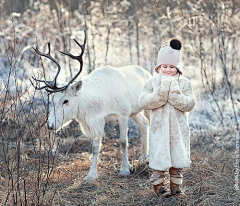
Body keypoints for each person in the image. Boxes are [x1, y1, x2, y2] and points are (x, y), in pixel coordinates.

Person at [138, 39, 196, 198]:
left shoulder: (184, 84)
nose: (168, 70)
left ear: (177, 67)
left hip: (178, 130)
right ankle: (159, 188)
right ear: (159, 67)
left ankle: (176, 187)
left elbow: (189, 104)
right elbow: (143, 101)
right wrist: (161, 92)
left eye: (172, 67)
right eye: (165, 66)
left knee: (177, 161)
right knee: (158, 160)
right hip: (159, 130)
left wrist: (175, 92)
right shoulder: (151, 83)